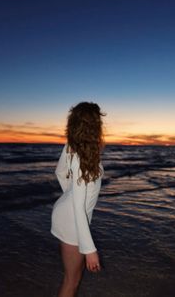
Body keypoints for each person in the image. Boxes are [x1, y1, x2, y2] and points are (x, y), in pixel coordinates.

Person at [50, 101, 106, 297]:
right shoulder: (83, 158)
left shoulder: (73, 147)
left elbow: (59, 172)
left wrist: (71, 193)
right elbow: (78, 208)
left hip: (66, 214)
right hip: (72, 221)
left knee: (74, 276)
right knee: (71, 281)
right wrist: (89, 249)